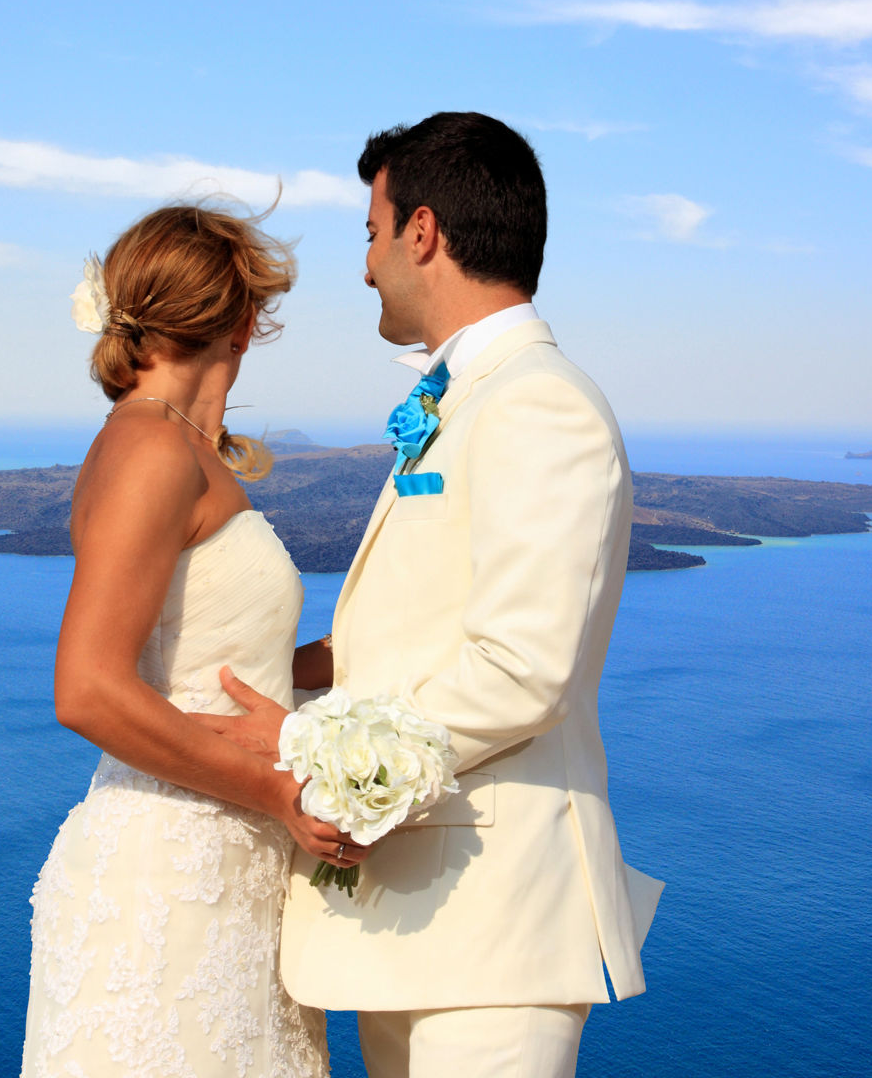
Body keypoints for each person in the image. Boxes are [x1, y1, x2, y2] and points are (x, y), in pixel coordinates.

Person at [200, 112, 662, 1078]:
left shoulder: (538, 402)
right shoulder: (468, 399)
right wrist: (276, 672)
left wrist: (294, 744)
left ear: (422, 232)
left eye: (370, 235)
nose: (365, 267)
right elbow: (418, 629)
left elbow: (520, 672)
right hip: (418, 923)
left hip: (496, 928)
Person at [20, 203, 352, 1078]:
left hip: (224, 880)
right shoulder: (151, 451)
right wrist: (276, 790)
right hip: (166, 883)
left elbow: (224, 672)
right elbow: (86, 687)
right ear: (246, 321)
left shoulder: (173, 445)